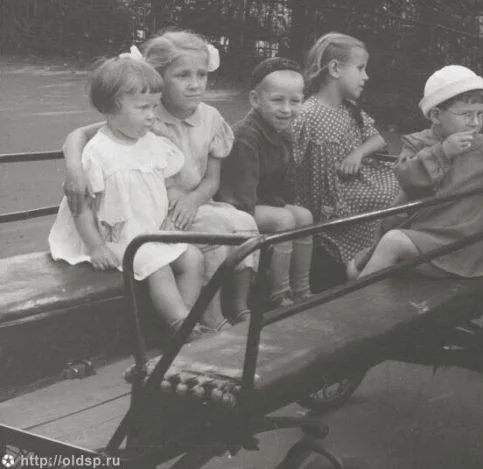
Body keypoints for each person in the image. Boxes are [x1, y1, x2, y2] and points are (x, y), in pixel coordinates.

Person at [61, 32, 259, 329]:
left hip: (189, 203)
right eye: (182, 75)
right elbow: (82, 136)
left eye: (202, 74)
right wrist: (74, 170)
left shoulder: (199, 117)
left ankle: (233, 307)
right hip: (149, 214)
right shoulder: (141, 113)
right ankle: (207, 317)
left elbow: (210, 178)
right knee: (214, 236)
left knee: (243, 224)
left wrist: (191, 200)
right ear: (161, 78)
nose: (195, 84)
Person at [48, 56, 205, 339]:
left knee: (193, 258)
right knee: (159, 267)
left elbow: (172, 178)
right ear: (111, 109)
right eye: (143, 108)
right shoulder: (98, 152)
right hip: (115, 236)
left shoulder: (151, 142)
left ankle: (184, 318)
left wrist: (169, 212)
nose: (152, 116)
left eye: (154, 106)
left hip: (147, 229)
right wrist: (96, 247)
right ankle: (179, 324)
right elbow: (81, 208)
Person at [350, 65, 483, 279]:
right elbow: (407, 178)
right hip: (422, 231)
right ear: (436, 115)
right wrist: (443, 152)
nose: (475, 123)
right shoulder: (417, 142)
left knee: (392, 242)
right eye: (466, 115)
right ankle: (362, 294)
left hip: (459, 243)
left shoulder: (481, 145)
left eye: (480, 114)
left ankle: (358, 299)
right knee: (353, 268)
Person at [292, 32, 400, 280]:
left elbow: (378, 139)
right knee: (388, 196)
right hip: (331, 200)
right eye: (360, 68)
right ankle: (364, 263)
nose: (366, 76)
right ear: (335, 69)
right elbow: (291, 164)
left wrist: (357, 153)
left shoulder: (349, 109)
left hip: (356, 182)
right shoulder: (308, 114)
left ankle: (376, 258)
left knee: (400, 186)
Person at [219, 57, 313, 307]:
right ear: (255, 99)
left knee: (304, 216)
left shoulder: (282, 132)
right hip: (236, 205)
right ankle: (278, 293)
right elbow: (241, 195)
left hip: (262, 200)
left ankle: (302, 289)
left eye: (295, 101)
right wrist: (277, 208)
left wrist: (282, 202)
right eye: (277, 100)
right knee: (284, 220)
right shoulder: (246, 137)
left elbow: (284, 183)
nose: (287, 109)